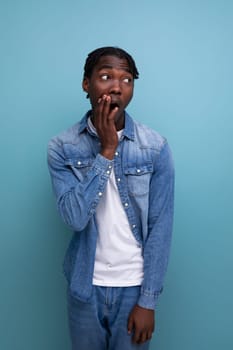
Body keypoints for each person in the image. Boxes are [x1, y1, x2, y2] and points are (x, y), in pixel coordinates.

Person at [47, 46, 174, 350]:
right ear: (86, 84)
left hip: (134, 288)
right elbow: (74, 218)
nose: (117, 87)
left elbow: (161, 228)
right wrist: (107, 151)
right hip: (84, 288)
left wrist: (149, 301)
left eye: (126, 79)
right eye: (105, 76)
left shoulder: (154, 147)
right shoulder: (62, 148)